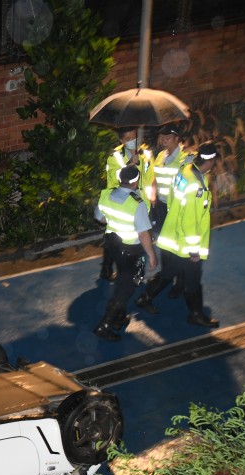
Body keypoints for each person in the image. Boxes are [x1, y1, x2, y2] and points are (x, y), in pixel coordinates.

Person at [136, 142, 220, 328]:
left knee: (169, 272)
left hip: (173, 235)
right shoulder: (196, 185)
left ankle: (145, 297)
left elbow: (175, 202)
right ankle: (195, 315)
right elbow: (190, 220)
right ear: (212, 161)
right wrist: (193, 250)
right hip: (185, 244)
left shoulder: (185, 170)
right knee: (193, 280)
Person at [93, 165, 159, 342]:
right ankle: (105, 325)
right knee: (126, 287)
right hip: (131, 251)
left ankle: (119, 317)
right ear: (136, 181)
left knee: (123, 277)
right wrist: (151, 254)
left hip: (113, 245)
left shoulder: (106, 194)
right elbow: (143, 233)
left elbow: (99, 217)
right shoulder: (137, 202)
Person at [100, 127, 157, 281]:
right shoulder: (115, 157)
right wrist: (129, 165)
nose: (132, 141)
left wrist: (152, 194)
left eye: (134, 137)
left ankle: (137, 273)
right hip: (122, 204)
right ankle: (107, 267)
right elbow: (113, 180)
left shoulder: (146, 154)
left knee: (142, 239)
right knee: (114, 238)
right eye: (128, 139)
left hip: (141, 204)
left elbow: (151, 175)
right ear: (121, 141)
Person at [152, 124, 191, 297]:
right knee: (164, 245)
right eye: (162, 138)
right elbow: (154, 177)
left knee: (178, 247)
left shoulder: (186, 158)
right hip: (160, 207)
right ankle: (167, 275)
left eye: (168, 138)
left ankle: (181, 282)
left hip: (176, 208)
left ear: (177, 138)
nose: (164, 141)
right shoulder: (160, 156)